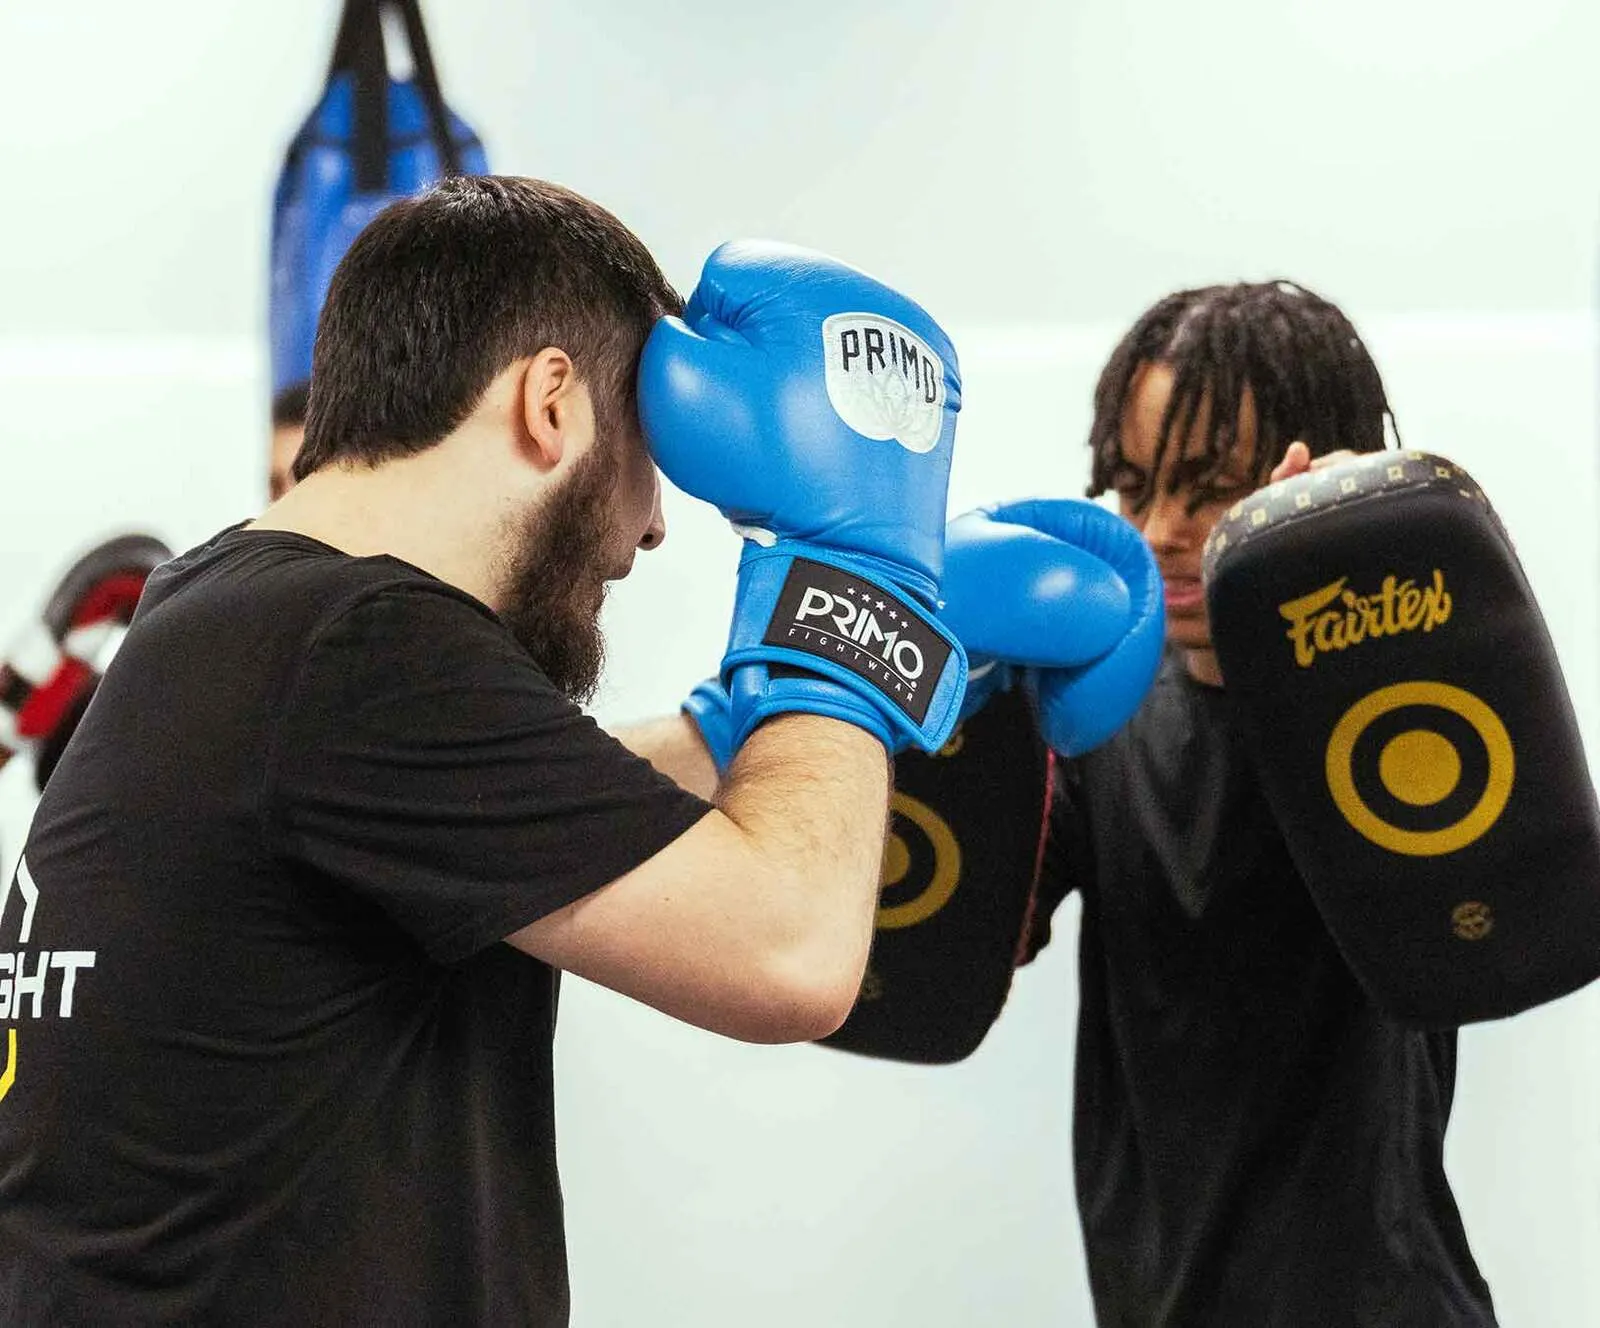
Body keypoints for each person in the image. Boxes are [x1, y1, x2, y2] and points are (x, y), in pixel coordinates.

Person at [0, 175, 978, 1325]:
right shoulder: (362, 646)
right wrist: (855, 581)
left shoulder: (235, 607)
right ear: (549, 402)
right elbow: (793, 956)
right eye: (648, 449)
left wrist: (757, 719)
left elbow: (548, 807)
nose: (655, 522)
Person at [985, 280, 1497, 1325]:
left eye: (1208, 487)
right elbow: (956, 952)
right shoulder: (1100, 718)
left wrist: (1361, 561)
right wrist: (933, 707)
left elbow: (1502, 921)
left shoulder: (1388, 704)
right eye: (1134, 487)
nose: (1162, 530)